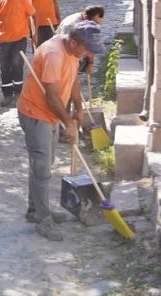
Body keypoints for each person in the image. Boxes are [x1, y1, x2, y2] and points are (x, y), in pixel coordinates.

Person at [16, 21, 105, 227]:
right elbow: (53, 98)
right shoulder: (53, 54)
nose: (88, 54)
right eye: (87, 49)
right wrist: (69, 123)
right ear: (74, 42)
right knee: (42, 167)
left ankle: (35, 209)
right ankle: (43, 218)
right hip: (36, 113)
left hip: (51, 115)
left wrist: (78, 108)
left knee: (45, 163)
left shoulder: (72, 52)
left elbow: (73, 80)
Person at [0, 0, 36, 108]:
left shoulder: (23, 0)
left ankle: (18, 93)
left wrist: (34, 34)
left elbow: (33, 15)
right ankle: (7, 95)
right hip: (3, 40)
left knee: (16, 65)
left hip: (19, 39)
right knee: (5, 69)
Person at [59, 5, 105, 75]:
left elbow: (92, 44)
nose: (96, 26)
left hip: (79, 46)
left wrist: (90, 63)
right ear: (86, 17)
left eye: (99, 23)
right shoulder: (70, 26)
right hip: (65, 51)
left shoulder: (91, 24)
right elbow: (68, 49)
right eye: (95, 23)